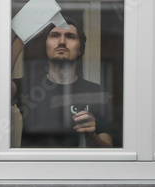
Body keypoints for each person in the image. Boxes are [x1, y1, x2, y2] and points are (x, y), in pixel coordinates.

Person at [13, 20, 116, 148]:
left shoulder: (96, 92)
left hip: (77, 167)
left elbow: (108, 149)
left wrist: (92, 136)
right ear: (45, 46)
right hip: (34, 166)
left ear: (80, 49)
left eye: (70, 36)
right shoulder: (28, 85)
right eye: (55, 35)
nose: (62, 42)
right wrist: (21, 38)